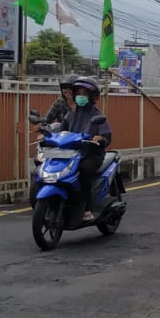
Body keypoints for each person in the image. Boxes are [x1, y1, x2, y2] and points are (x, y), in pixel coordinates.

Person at [58, 76, 112, 222]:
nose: (81, 96)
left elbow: (106, 135)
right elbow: (61, 130)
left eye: (84, 93)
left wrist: (100, 139)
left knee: (82, 172)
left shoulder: (97, 115)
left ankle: (87, 209)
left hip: (92, 155)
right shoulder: (71, 114)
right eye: (79, 93)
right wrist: (49, 136)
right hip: (73, 154)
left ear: (91, 96)